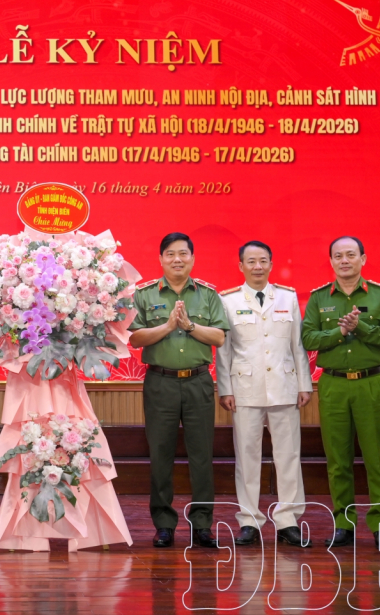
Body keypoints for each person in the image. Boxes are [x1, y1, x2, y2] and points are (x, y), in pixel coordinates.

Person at [129, 232, 230, 549]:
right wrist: (168, 326)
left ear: (192, 258)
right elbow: (135, 338)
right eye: (170, 254)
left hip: (199, 382)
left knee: (202, 456)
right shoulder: (144, 294)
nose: (177, 259)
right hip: (160, 383)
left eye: (183, 253)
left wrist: (189, 326)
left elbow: (219, 337)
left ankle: (202, 524)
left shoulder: (208, 294)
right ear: (161, 259)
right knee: (160, 455)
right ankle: (164, 524)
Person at [301, 236, 380, 551]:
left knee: (377, 458)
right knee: (338, 459)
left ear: (363, 258)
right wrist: (341, 330)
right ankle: (343, 525)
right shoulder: (319, 297)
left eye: (350, 255)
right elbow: (308, 339)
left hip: (371, 383)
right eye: (338, 256)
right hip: (333, 385)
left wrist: (361, 328)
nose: (344, 260)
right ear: (331, 261)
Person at [216, 241, 312, 548]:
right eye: (251, 261)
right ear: (241, 266)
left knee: (289, 455)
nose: (257, 266)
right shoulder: (228, 300)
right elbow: (223, 350)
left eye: (263, 261)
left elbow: (297, 345)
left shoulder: (287, 296)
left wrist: (304, 383)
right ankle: (249, 520)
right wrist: (225, 388)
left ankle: (288, 520)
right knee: (247, 457)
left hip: (284, 386)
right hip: (245, 388)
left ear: (271, 264)